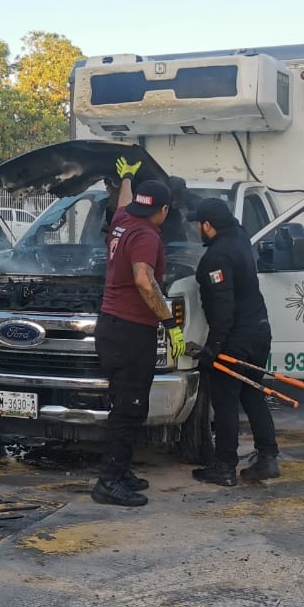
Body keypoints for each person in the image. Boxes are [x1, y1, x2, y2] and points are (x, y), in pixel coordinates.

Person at [92, 160, 188, 508]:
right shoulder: (147, 235)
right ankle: (109, 481)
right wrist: (170, 323)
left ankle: (122, 471)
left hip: (111, 327)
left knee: (128, 404)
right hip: (132, 332)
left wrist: (127, 176)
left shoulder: (123, 221)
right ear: (163, 210)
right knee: (128, 410)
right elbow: (144, 281)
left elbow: (121, 202)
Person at [189, 197, 280, 487]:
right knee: (253, 395)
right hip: (259, 331)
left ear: (207, 226)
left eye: (197, 225)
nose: (195, 230)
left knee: (225, 402)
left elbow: (222, 310)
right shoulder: (240, 237)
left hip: (236, 338)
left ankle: (224, 467)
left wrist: (213, 349)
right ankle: (268, 457)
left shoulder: (216, 258)